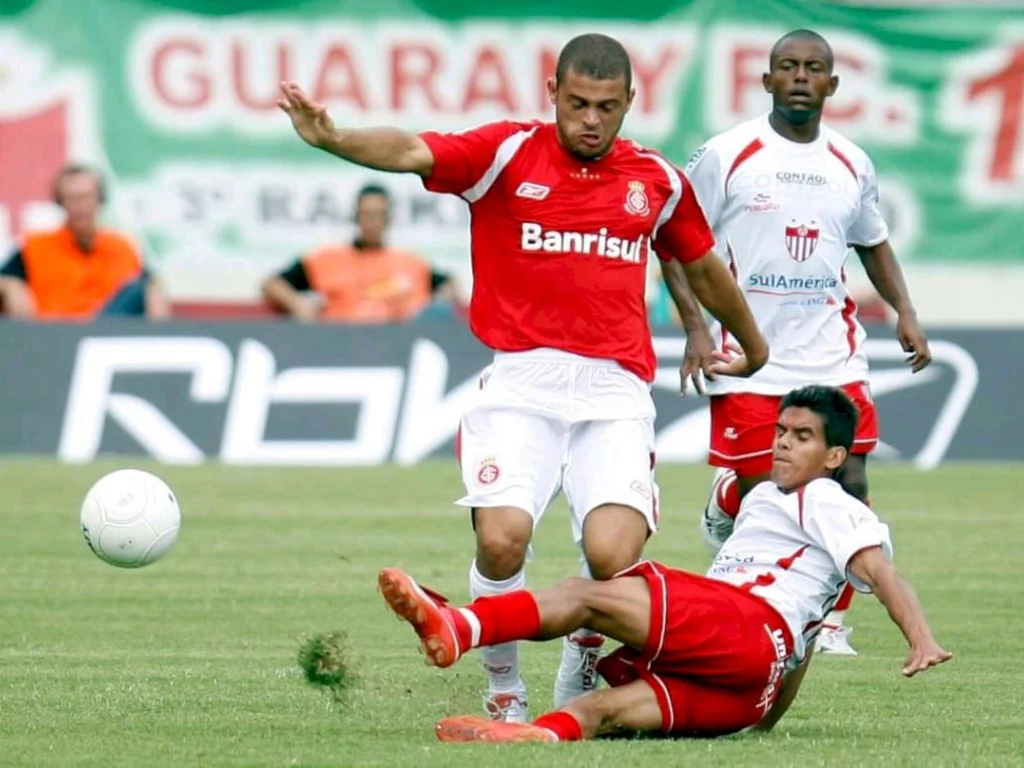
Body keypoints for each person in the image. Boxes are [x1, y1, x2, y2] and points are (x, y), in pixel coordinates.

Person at [280, 33, 768, 722]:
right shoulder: (506, 154)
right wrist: (334, 139)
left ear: (630, 102)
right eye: (576, 103)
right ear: (553, 94)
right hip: (520, 383)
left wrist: (753, 345)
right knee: (502, 537)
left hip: (615, 390)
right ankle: (504, 685)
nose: (590, 119)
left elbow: (702, 264)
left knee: (612, 557)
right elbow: (414, 150)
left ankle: (589, 642)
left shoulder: (656, 179)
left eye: (606, 106)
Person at [377, 384, 952, 743]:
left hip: (744, 624)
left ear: (833, 457)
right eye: (780, 431)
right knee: (597, 712)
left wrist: (921, 638)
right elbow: (798, 643)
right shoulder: (769, 502)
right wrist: (764, 718)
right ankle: (537, 736)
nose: (781, 444)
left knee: (588, 594)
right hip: (752, 682)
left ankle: (460, 627)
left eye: (801, 437)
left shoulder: (826, 498)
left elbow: (881, 573)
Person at [662, 28, 932, 655]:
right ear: (767, 81)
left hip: (834, 352)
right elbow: (674, 239)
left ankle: (827, 619)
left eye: (814, 68)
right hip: (750, 356)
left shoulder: (851, 162)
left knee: (849, 486)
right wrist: (697, 327)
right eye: (788, 67)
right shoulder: (726, 154)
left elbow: (873, 243)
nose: (801, 77)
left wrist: (906, 311)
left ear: (832, 84)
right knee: (770, 495)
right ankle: (728, 496)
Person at [261, 183, 463, 323]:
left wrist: (441, 302)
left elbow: (449, 285)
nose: (372, 222)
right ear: (356, 216)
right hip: (343, 343)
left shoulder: (411, 264)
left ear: (388, 218)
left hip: (397, 346)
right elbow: (272, 284)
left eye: (379, 215)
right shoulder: (327, 260)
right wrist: (298, 305)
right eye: (367, 214)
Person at [0, 164, 170, 321]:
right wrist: (11, 286)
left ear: (100, 200)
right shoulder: (36, 246)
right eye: (71, 198)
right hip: (55, 334)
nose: (79, 206)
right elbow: (5, 279)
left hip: (108, 333)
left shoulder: (122, 246)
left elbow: (150, 287)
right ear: (60, 203)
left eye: (85, 197)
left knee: (148, 286)